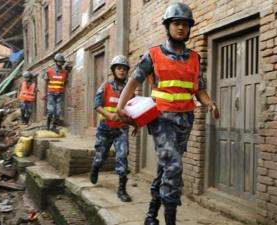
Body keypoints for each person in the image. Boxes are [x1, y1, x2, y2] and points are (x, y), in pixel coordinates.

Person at [116, 3, 220, 225]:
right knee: (174, 167)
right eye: (177, 24)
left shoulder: (194, 58)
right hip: (161, 119)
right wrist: (120, 106)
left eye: (185, 24)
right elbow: (134, 80)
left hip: (185, 120)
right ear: (168, 26)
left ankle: (151, 214)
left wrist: (209, 102)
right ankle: (170, 220)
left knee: (166, 168)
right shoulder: (153, 55)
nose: (181, 28)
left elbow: (198, 89)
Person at [89, 55, 132, 202]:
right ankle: (95, 167)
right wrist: (109, 115)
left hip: (121, 129)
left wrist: (136, 124)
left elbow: (132, 110)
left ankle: (122, 190)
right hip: (105, 128)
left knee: (122, 156)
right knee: (101, 156)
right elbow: (97, 106)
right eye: (119, 68)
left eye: (124, 69)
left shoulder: (129, 89)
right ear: (113, 70)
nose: (122, 71)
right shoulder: (105, 86)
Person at [43, 53, 72, 131]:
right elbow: (45, 82)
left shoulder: (64, 73)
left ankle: (54, 127)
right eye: (59, 61)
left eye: (61, 62)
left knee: (58, 111)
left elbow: (65, 84)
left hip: (60, 94)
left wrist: (69, 93)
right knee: (51, 110)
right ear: (55, 61)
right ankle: (48, 125)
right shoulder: (50, 71)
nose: (60, 63)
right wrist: (44, 93)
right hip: (51, 94)